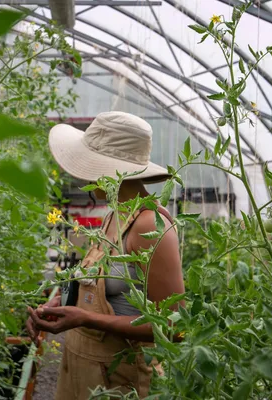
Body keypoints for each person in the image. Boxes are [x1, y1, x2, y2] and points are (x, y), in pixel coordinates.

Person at [26, 111, 185, 399]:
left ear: (110, 169)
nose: (82, 176)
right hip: (84, 372)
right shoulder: (114, 215)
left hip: (120, 383)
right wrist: (60, 302)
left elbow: (173, 324)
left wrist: (86, 319)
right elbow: (103, 290)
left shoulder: (150, 225)